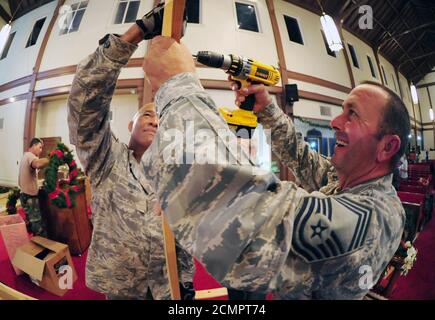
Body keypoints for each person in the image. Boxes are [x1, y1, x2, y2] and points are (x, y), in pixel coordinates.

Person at [140, 36, 409, 299]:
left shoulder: (376, 217)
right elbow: (302, 158)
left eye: (353, 114)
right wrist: (267, 109)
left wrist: (179, 88)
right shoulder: (346, 181)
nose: (336, 122)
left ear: (387, 147)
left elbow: (248, 218)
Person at [67, 24, 195, 300]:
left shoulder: (180, 168)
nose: (156, 121)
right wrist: (135, 34)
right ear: (130, 124)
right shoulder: (106, 160)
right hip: (124, 289)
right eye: (148, 114)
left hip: (174, 286)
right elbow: (85, 105)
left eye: (162, 118)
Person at [18, 138, 49, 237]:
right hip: (30, 197)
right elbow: (38, 164)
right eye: (40, 147)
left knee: (31, 223)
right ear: (34, 145)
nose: (41, 150)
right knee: (37, 224)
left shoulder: (25, 156)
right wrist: (51, 158)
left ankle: (35, 246)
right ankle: (44, 249)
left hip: (23, 194)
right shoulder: (30, 156)